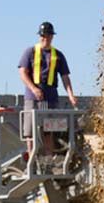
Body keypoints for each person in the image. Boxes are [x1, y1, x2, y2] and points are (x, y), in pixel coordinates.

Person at [18, 21, 78, 163]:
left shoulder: (57, 55)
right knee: (30, 131)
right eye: (43, 35)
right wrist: (34, 88)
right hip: (32, 98)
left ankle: (48, 161)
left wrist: (70, 95)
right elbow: (23, 73)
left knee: (49, 130)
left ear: (52, 36)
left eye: (49, 35)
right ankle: (32, 162)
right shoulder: (30, 52)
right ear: (40, 36)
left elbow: (65, 77)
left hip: (51, 97)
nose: (46, 38)